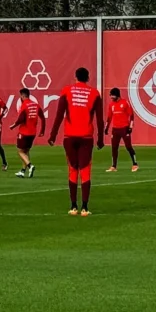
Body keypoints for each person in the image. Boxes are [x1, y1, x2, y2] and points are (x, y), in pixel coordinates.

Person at [48, 67, 105, 216]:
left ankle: (73, 206)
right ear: (88, 78)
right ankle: (85, 207)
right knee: (85, 170)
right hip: (86, 137)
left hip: (69, 137)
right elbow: (99, 119)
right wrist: (100, 139)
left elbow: (59, 115)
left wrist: (53, 135)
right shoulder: (94, 93)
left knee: (73, 169)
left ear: (75, 77)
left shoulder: (67, 91)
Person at [11, 87, 41, 178]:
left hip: (24, 132)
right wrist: (42, 130)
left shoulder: (24, 105)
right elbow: (42, 117)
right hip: (33, 133)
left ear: (22, 96)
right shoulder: (35, 105)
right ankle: (23, 171)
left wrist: (13, 125)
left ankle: (30, 165)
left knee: (20, 151)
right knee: (26, 151)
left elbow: (21, 119)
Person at [106, 87, 137, 172]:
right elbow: (109, 117)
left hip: (124, 128)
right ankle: (113, 166)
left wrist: (130, 127)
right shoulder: (111, 104)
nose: (111, 97)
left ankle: (135, 164)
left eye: (112, 95)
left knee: (128, 146)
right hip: (115, 129)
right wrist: (106, 128)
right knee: (114, 147)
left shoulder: (125, 103)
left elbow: (131, 116)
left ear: (117, 95)